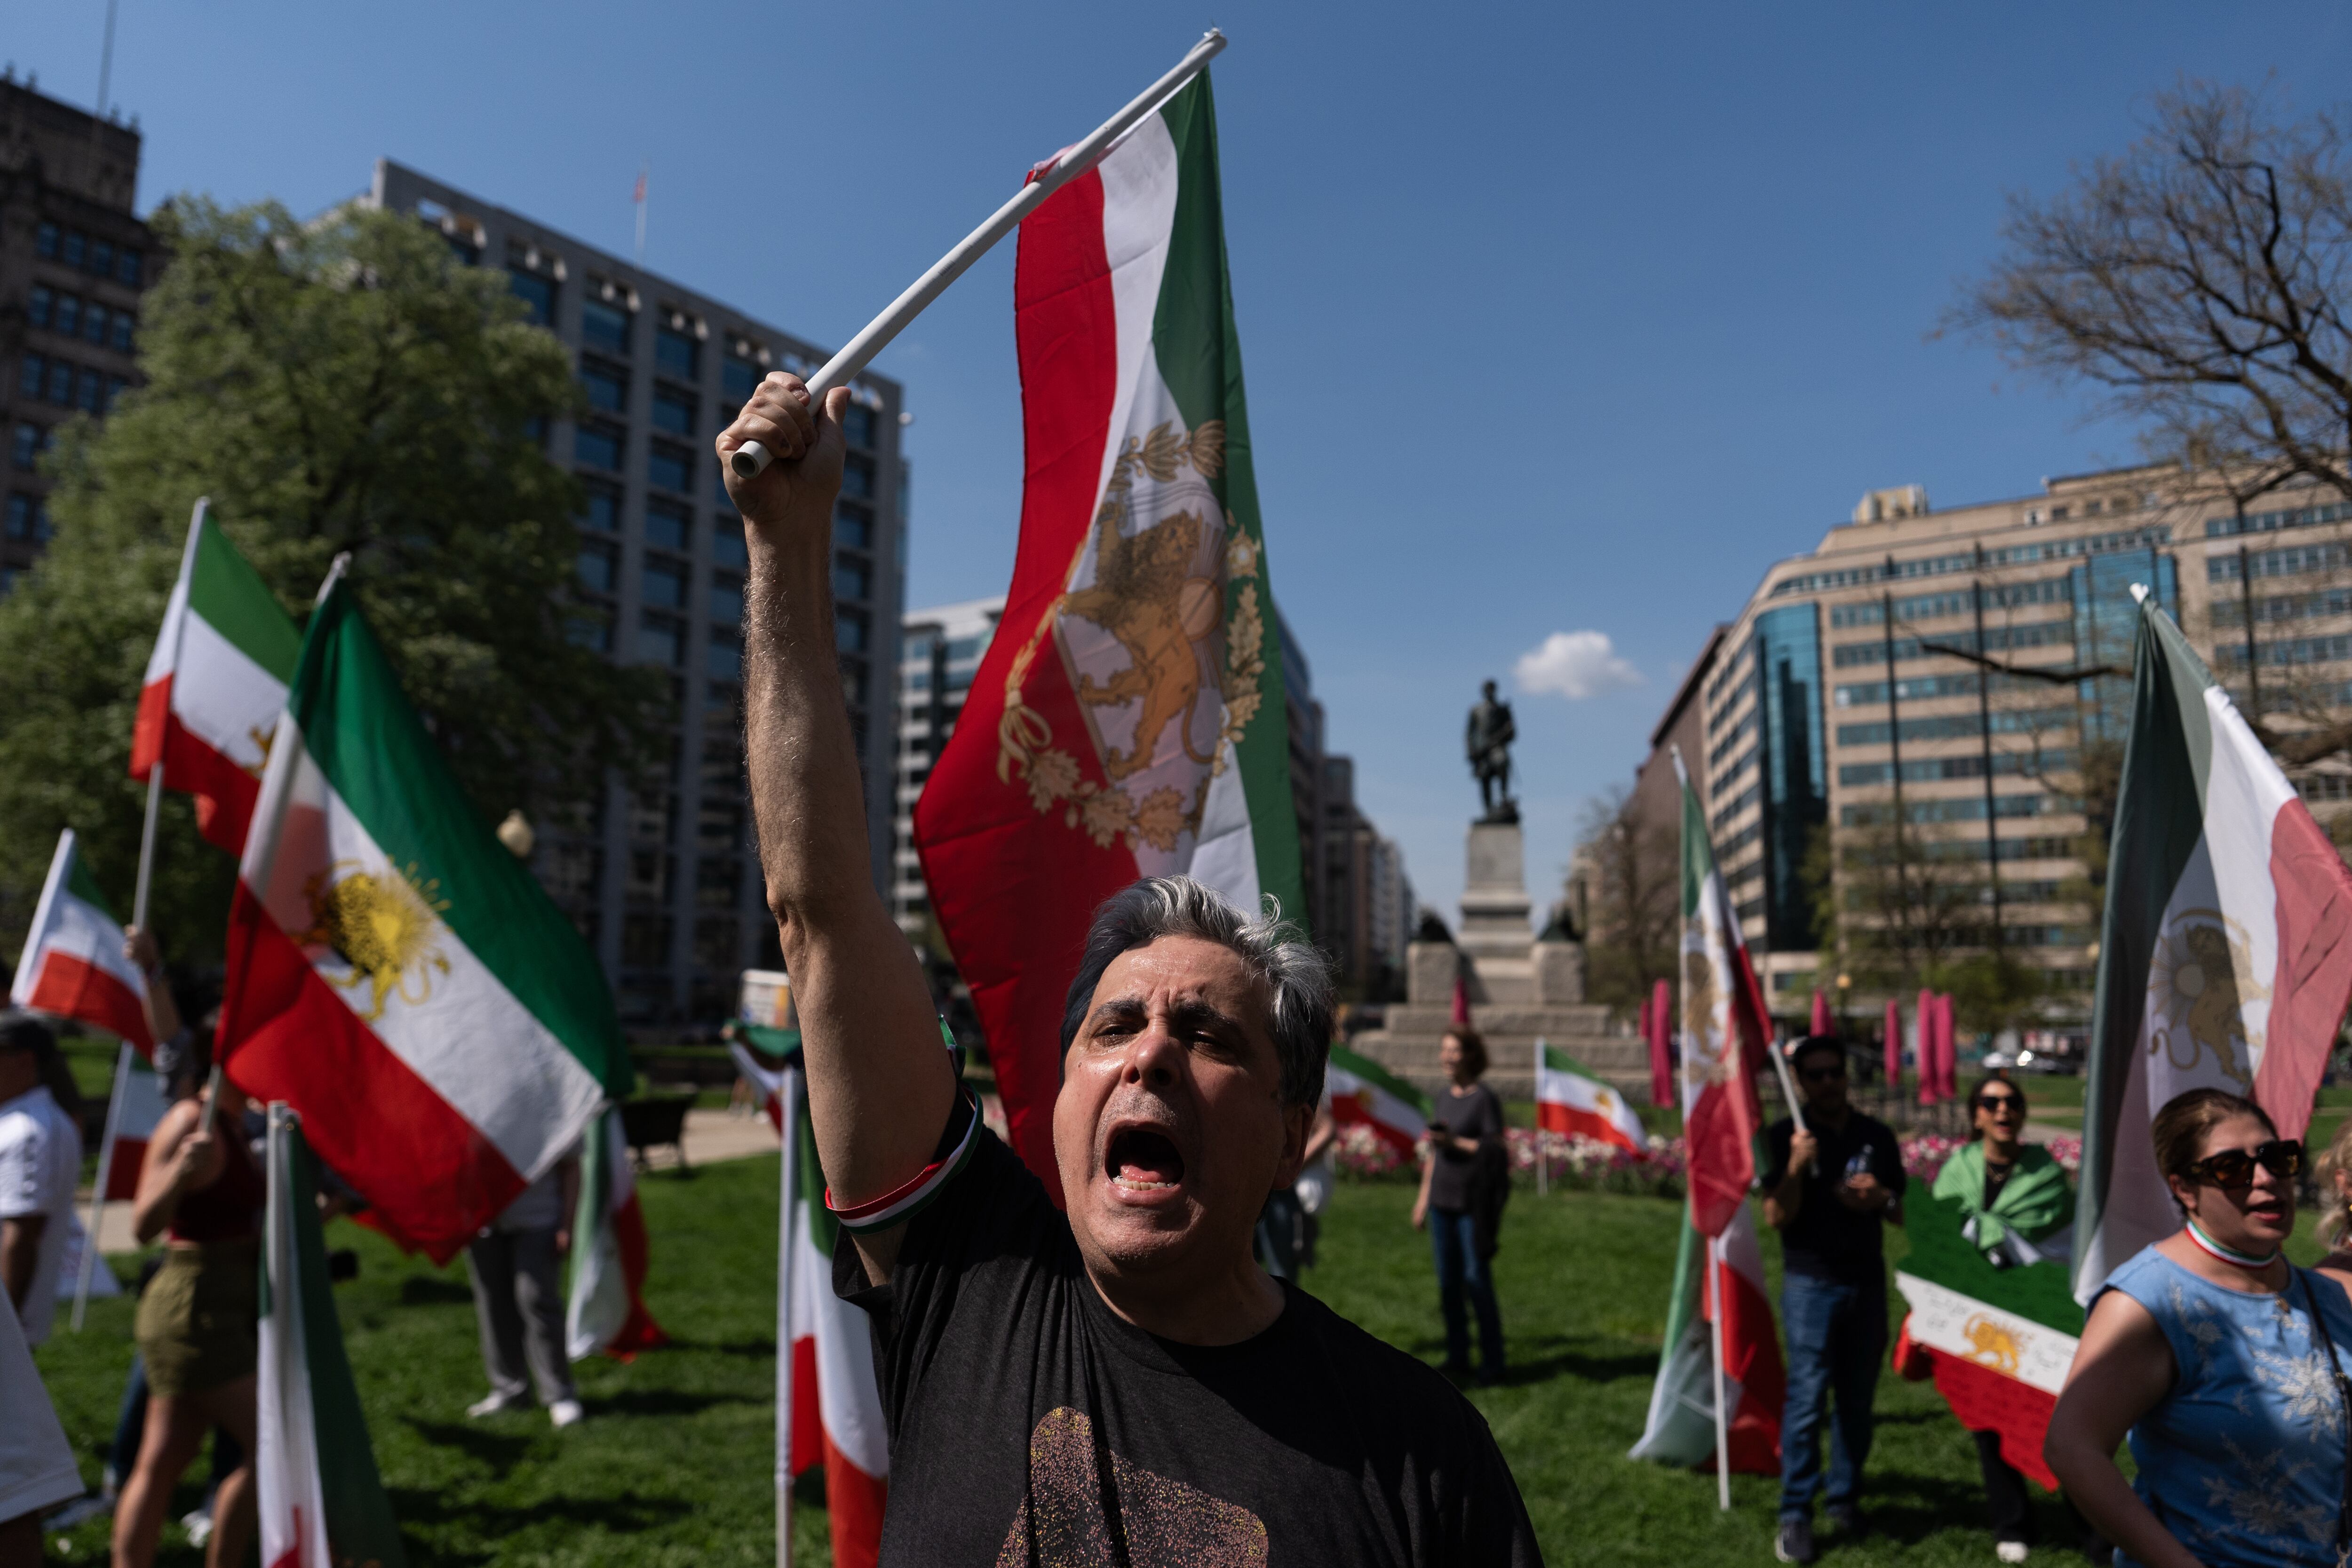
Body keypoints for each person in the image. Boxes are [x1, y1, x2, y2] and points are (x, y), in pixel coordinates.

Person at [719, 373, 1539, 1563]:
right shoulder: (968, 1286)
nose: (1150, 1050)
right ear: (1056, 1100)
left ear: (1296, 1126)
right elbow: (823, 917)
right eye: (1111, 1029)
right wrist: (784, 550)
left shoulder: (1422, 1459)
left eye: (1210, 1038)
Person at [2045, 1088, 2352, 1568]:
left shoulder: (2325, 1295)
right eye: (2231, 1168)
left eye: (2276, 1157)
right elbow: (2071, 1448)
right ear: (2184, 1189)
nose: (2265, 1179)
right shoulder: (2150, 1302)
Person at [113, 1028, 262, 1568]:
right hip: (192, 1308)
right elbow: (142, 1224)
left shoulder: (237, 1124)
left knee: (164, 1457)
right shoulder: (187, 1121)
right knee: (273, 1448)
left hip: (219, 1304)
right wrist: (180, 1170)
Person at [1932, 1074, 2095, 1565]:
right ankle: (2010, 1523)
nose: (2003, 1111)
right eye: (1991, 1103)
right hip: (1976, 1316)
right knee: (1989, 1421)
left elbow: (2067, 1241)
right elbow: (1940, 1236)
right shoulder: (1954, 1171)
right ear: (1975, 1114)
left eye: (2012, 1103)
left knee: (2059, 1421)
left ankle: (2093, 1530)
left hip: (2037, 1312)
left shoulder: (2044, 1171)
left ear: (2021, 1114)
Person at [1760, 1034, 1905, 1565]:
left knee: (1856, 1404)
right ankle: (1795, 1511)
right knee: (1804, 1403)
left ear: (1847, 1075)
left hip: (1865, 1283)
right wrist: (1797, 1166)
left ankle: (1843, 1498)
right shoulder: (1783, 1137)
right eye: (1815, 1075)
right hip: (1809, 1284)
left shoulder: (1875, 1135)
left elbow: (1899, 1210)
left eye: (1834, 1073)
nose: (1826, 1083)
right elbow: (1774, 1215)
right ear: (1798, 1082)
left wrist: (1879, 1198)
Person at [1412, 1027, 1508, 1383]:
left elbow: (1494, 1150)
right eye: (1444, 1050)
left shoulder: (1484, 1099)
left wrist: (1456, 1141)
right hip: (1441, 1204)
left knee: (1476, 1280)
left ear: (1470, 1055)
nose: (1447, 1057)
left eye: (1454, 1050)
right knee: (1449, 1285)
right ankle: (1458, 1357)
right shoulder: (1443, 1096)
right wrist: (1423, 1200)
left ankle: (1494, 1362)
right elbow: (1435, 1154)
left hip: (1472, 1205)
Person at [463, 1151, 584, 1427]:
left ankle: (559, 1394)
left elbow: (571, 1166)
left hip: (538, 1219)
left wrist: (568, 1224)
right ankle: (509, 1390)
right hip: (482, 1222)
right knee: (493, 1306)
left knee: (536, 1299)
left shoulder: (551, 1107)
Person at [0, 1010, 83, 1348]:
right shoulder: (20, 1121)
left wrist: (5, 1333)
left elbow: (20, 1237)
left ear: (25, 1060)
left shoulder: (31, 1131)